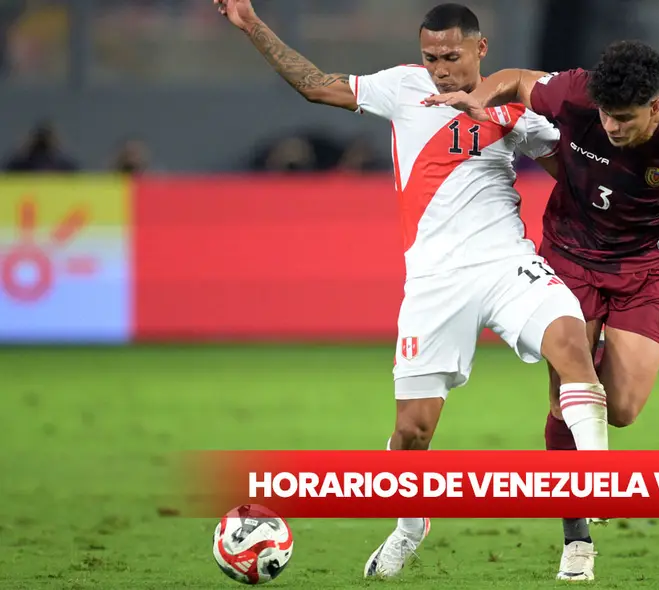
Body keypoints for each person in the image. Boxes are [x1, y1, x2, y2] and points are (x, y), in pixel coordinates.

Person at [214, 0, 611, 580]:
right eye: (431, 57)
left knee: (571, 345)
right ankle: (410, 524)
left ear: (480, 50)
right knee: (413, 431)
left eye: (451, 56)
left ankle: (598, 484)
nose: (441, 69)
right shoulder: (401, 88)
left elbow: (576, 176)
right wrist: (252, 24)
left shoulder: (513, 108)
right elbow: (317, 86)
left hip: (507, 263)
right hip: (434, 282)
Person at [425, 40, 659, 581]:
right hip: (570, 256)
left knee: (622, 408)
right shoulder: (573, 93)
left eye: (624, 119)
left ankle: (586, 390)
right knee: (567, 396)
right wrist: (476, 98)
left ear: (655, 106)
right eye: (606, 117)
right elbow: (519, 78)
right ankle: (576, 539)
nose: (612, 128)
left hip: (646, 265)